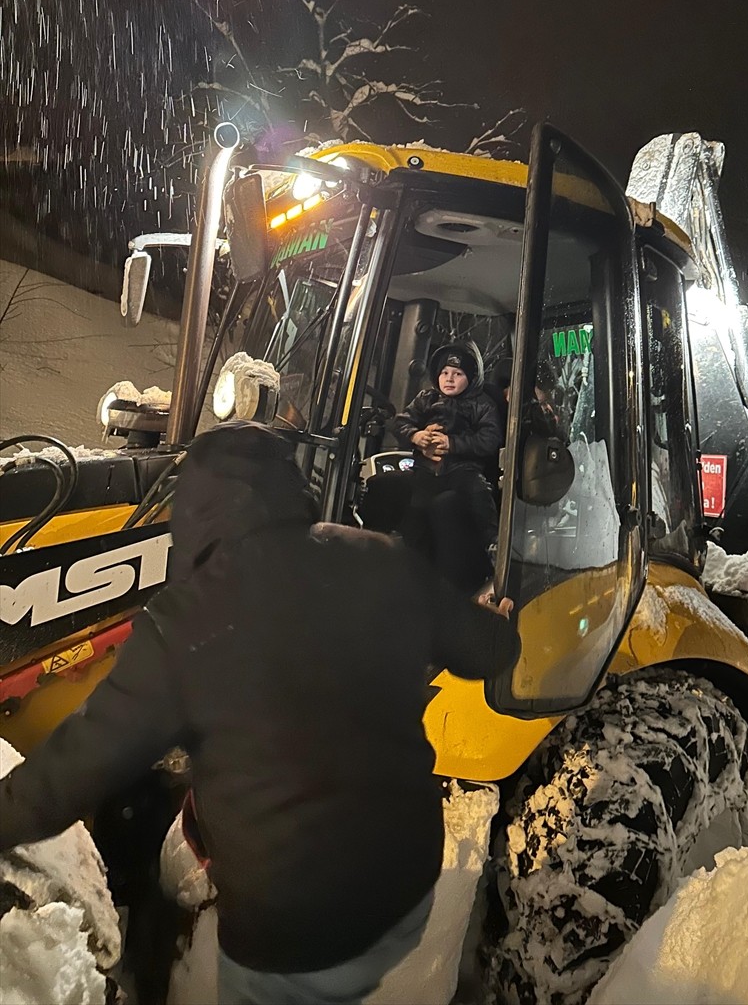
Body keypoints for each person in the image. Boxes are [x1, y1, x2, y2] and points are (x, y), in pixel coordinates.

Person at [0, 421, 520, 1005]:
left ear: (195, 510)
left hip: (294, 935)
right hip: (406, 884)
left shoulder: (184, 620)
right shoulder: (380, 556)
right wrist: (495, 622)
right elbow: (489, 651)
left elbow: (74, 770)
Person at [391, 341, 503, 593]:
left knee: (478, 492)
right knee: (414, 512)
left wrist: (452, 443)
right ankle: (412, 566)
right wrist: (415, 436)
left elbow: (489, 439)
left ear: (471, 378)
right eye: (444, 373)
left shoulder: (481, 404)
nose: (449, 379)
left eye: (458, 374)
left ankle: (493, 543)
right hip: (426, 470)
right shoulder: (426, 398)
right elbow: (400, 422)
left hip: (462, 468)